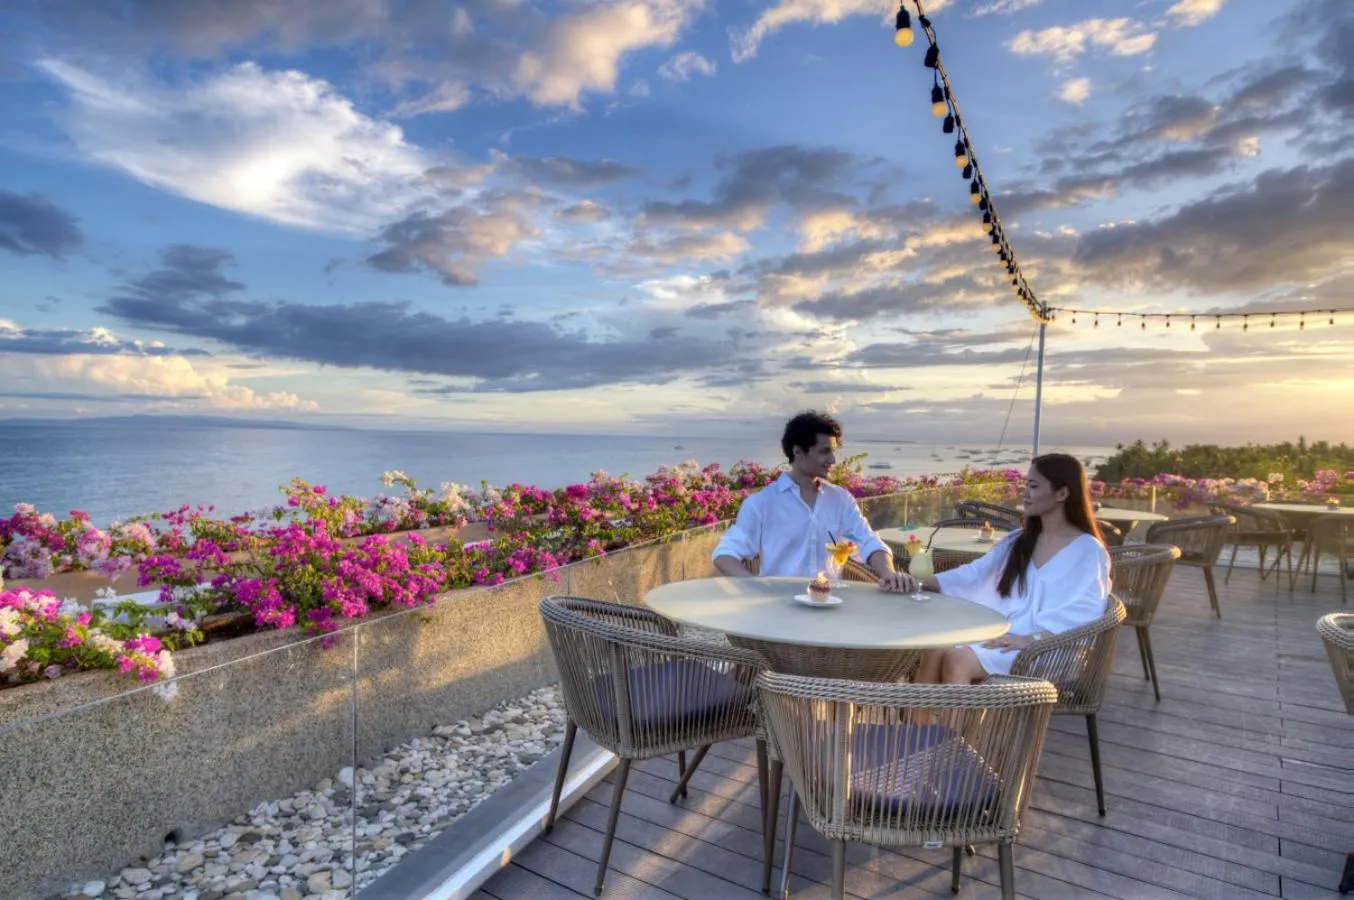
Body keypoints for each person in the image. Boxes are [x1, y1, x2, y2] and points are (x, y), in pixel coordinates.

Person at [914, 453, 1111, 684]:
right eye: (1026, 485)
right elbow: (976, 573)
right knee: (936, 647)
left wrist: (1029, 639)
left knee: (959, 660)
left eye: (1034, 486)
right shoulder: (1018, 540)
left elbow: (1084, 612)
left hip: (1050, 649)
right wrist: (920, 582)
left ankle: (956, 711)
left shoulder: (1087, 550)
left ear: (1062, 493)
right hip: (1005, 635)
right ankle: (921, 711)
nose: (1025, 494)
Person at [712, 411, 914, 593]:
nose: (833, 460)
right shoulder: (761, 504)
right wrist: (755, 588)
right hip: (778, 609)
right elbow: (725, 554)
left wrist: (889, 573)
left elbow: (868, 542)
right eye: (824, 451)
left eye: (833, 451)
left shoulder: (841, 500)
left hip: (830, 605)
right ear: (798, 452)